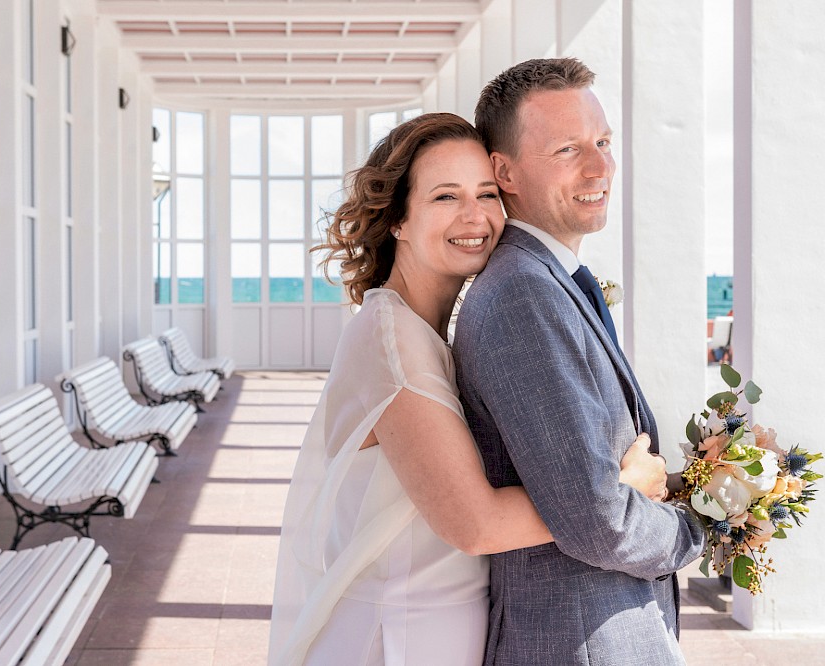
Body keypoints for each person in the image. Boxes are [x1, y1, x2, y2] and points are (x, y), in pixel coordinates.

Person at [268, 112, 669, 666]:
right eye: (445, 197)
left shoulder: (429, 329)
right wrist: (620, 488)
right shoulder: (392, 342)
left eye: (486, 193)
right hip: (396, 636)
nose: (474, 216)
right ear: (397, 220)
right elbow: (475, 524)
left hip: (441, 627)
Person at [453, 58, 706, 666]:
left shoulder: (545, 280)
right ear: (503, 171)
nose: (600, 167)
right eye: (568, 149)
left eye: (603, 142)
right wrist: (702, 526)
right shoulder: (522, 295)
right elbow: (601, 520)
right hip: (583, 644)